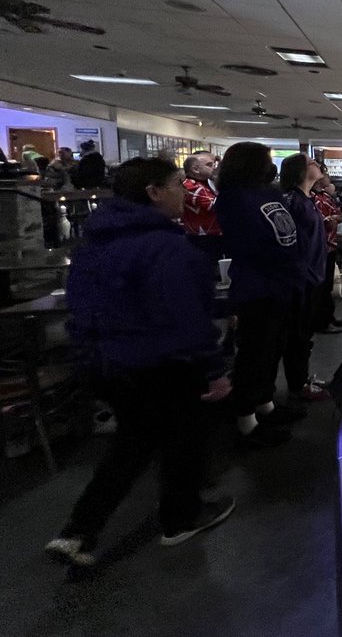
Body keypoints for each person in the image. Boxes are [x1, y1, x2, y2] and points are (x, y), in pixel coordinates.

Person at [45, 157, 234, 567]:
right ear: (154, 192)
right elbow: (187, 316)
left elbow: (80, 305)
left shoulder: (93, 245)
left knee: (132, 442)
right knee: (183, 440)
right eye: (177, 184)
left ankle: (79, 530)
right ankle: (180, 518)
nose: (184, 193)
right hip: (162, 363)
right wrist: (213, 369)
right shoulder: (168, 248)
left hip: (107, 363)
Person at [213, 142, 305, 447]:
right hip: (257, 286)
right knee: (254, 353)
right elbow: (251, 242)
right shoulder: (233, 198)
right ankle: (246, 421)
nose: (271, 165)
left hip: (281, 284)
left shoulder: (268, 192)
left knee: (273, 348)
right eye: (265, 160)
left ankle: (266, 403)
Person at [278, 153, 330, 404]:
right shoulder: (292, 201)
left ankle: (303, 379)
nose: (317, 164)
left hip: (313, 275)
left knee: (305, 333)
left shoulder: (308, 199)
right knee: (297, 335)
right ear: (299, 171)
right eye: (311, 163)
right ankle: (297, 385)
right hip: (302, 278)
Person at [312, 173, 342, 333]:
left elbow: (339, 215)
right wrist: (329, 220)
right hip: (321, 247)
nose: (327, 176)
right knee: (321, 286)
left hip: (331, 245)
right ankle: (322, 322)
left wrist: (336, 218)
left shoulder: (325, 196)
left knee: (327, 285)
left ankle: (328, 317)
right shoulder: (312, 198)